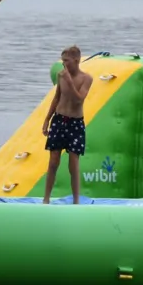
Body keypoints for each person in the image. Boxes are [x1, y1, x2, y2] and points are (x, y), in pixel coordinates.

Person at [42, 45, 93, 204]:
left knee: (73, 163)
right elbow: (57, 98)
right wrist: (47, 119)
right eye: (62, 61)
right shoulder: (60, 76)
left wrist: (70, 81)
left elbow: (79, 99)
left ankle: (76, 200)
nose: (64, 64)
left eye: (67, 61)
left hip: (75, 123)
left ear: (76, 60)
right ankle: (46, 199)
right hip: (59, 120)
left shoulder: (86, 78)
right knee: (53, 161)